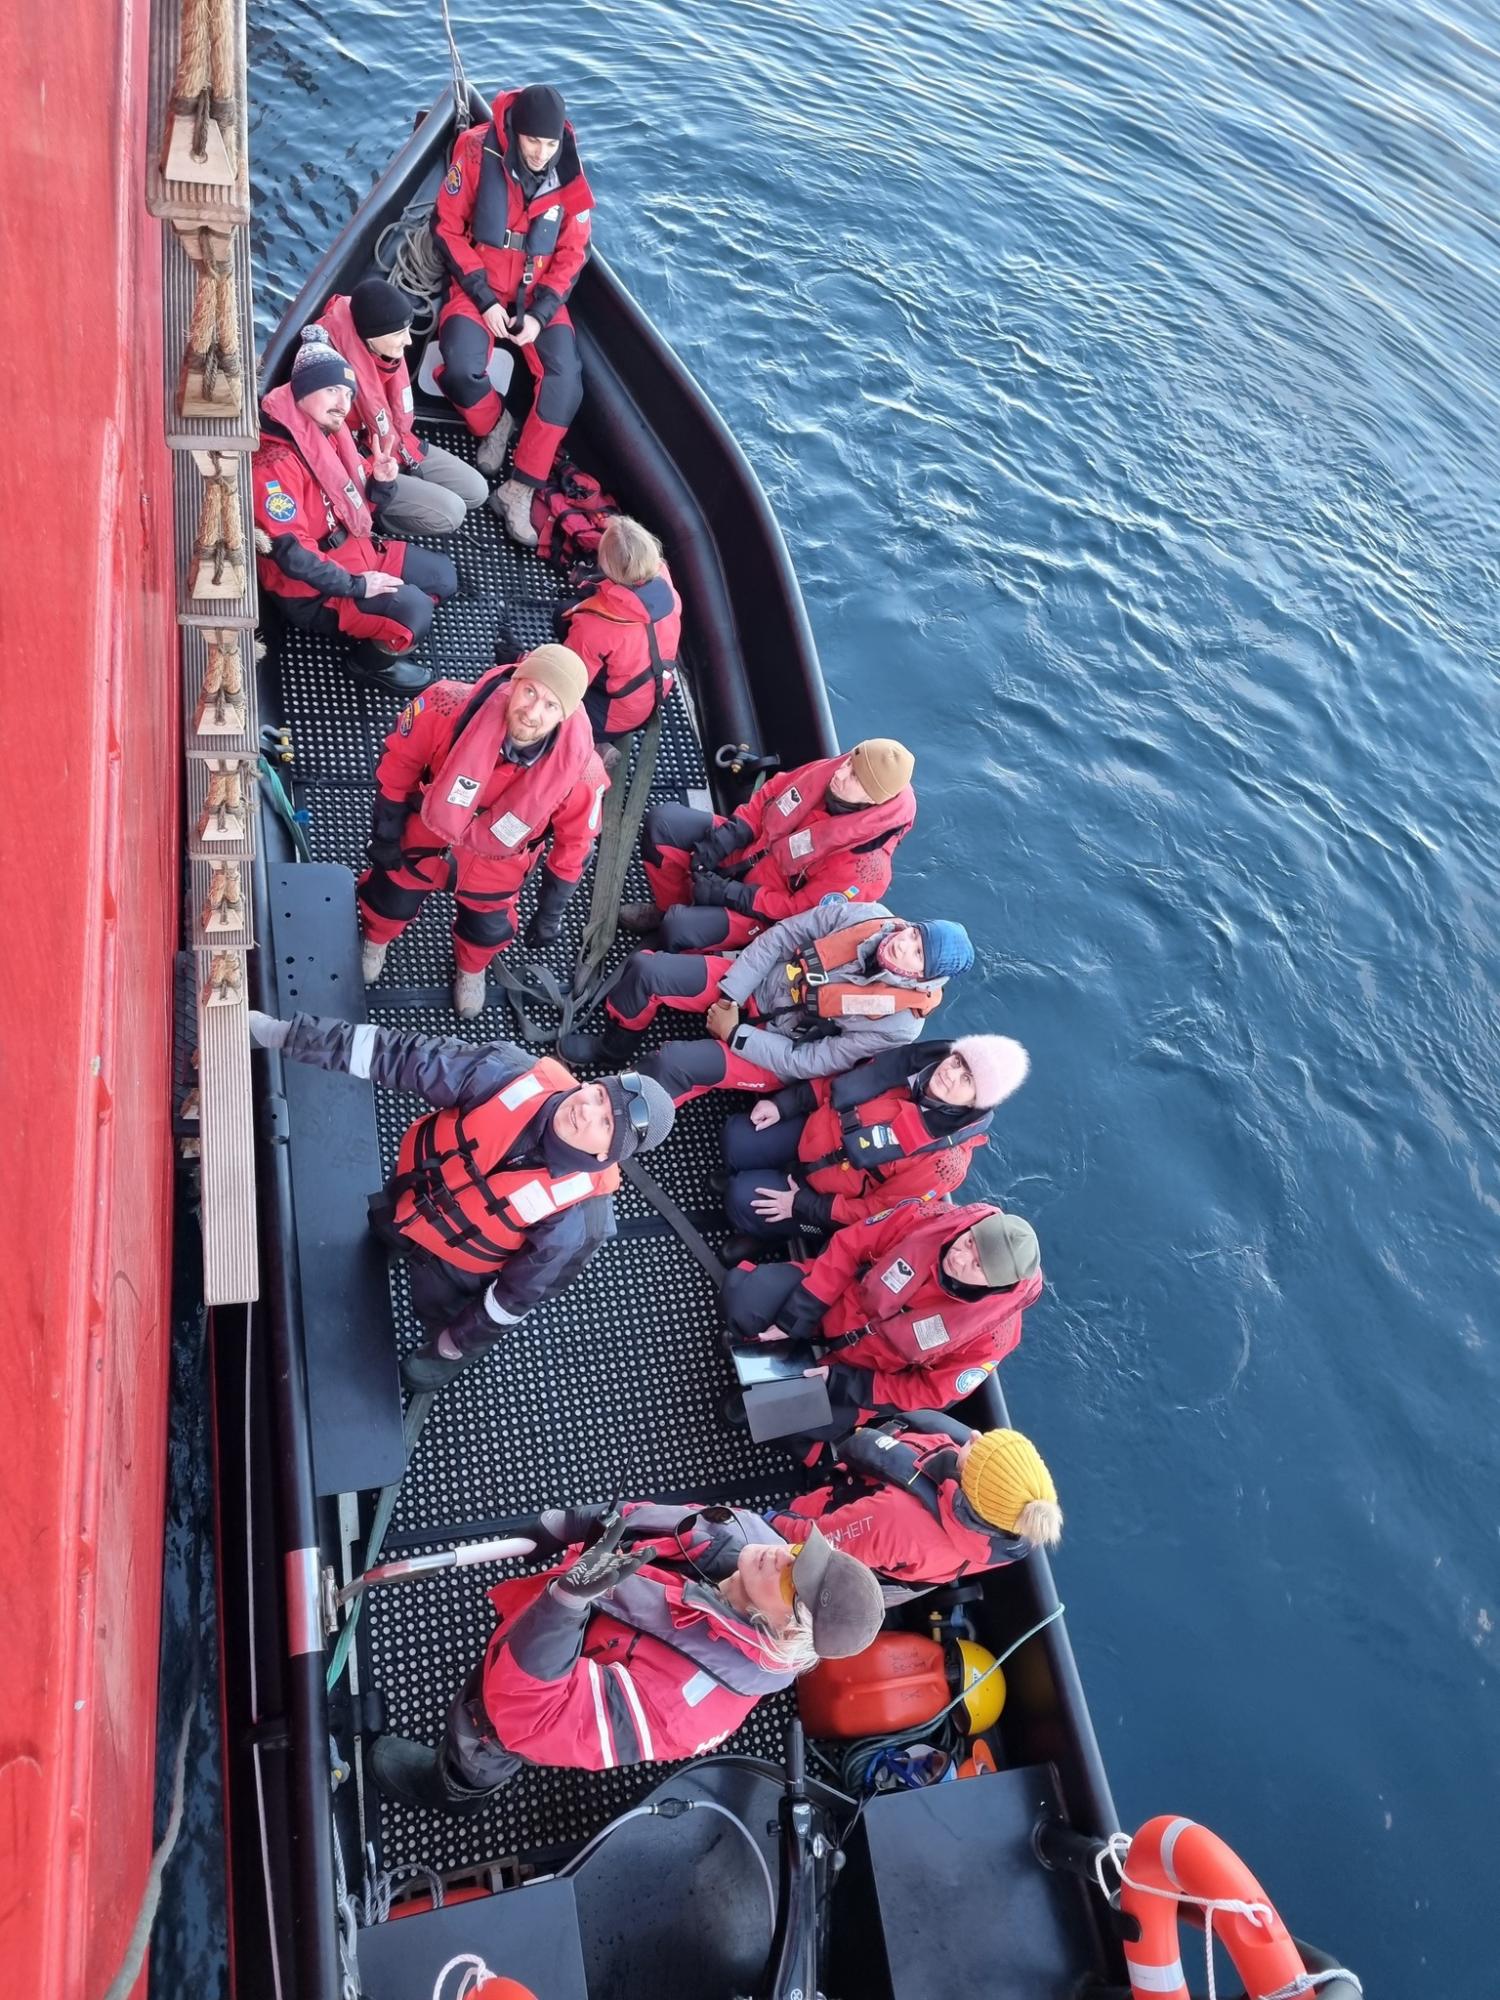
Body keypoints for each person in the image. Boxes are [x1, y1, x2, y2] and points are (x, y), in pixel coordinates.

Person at [246, 1009, 675, 1391]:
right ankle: (396, 1240)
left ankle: (443, 1354)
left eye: (605, 1123)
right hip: (412, 1195)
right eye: (598, 1095)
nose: (586, 1110)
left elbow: (518, 1294)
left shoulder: (580, 1219)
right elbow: (399, 1055)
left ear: (606, 1155)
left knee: (439, 1314)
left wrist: (458, 1341)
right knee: (384, 1227)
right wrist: (283, 1034)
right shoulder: (506, 1073)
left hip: (458, 1269)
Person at [367, 1502, 885, 1813]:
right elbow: (642, 1518)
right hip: (550, 1620)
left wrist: (562, 1607)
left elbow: (535, 1719)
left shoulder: (689, 1709)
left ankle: (455, 1789)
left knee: (482, 1735)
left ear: (786, 1631)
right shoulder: (747, 1536)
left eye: (794, 1582)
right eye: (800, 1554)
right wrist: (566, 1525)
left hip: (520, 1692)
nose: (781, 1556)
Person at [358, 646, 608, 1017]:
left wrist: (550, 912)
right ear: (516, 681)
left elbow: (575, 845)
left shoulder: (583, 774)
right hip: (425, 834)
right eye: (530, 691)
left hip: (499, 865)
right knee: (388, 898)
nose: (532, 712)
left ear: (565, 714)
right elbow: (399, 762)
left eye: (550, 705)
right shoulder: (447, 705)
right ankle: (376, 939)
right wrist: (385, 832)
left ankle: (471, 968)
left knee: (487, 929)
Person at [561, 904, 974, 1107]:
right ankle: (613, 1045)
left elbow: (814, 1060)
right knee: (647, 971)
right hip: (756, 984)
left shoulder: (899, 1025)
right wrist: (732, 995)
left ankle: (619, 1116)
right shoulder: (869, 916)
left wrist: (735, 1035)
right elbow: (782, 936)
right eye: (914, 935)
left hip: (778, 1051)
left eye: (918, 955)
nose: (903, 945)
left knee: (673, 1064)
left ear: (923, 978)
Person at [722, 1199, 1043, 1440]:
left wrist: (841, 1382)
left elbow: (929, 1392)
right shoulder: (930, 1218)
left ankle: (769, 1401)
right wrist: (797, 1315)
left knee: (777, 1414)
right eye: (970, 1241)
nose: (959, 1257)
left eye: (977, 1265)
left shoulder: (992, 1339)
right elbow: (851, 1245)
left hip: (867, 1372)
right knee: (745, 1299)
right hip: (834, 1304)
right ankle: (760, 1341)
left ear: (994, 1285)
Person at [251, 333, 458, 694]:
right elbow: (292, 555)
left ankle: (384, 620)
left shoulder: (327, 435)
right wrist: (358, 586)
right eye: (332, 390)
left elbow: (364, 506)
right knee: (415, 612)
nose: (342, 404)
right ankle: (366, 664)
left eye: (348, 394)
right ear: (303, 389)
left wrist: (381, 483)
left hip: (357, 550)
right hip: (314, 590)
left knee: (444, 578)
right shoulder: (274, 464)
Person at [433, 82, 593, 546]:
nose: (541, 153)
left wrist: (541, 314)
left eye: (550, 144)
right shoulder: (475, 150)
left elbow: (572, 253)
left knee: (566, 382)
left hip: (537, 294)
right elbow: (447, 228)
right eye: (532, 141)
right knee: (459, 368)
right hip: (479, 284)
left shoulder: (570, 171)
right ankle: (494, 423)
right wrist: (483, 298)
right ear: (515, 133)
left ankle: (519, 489)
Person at [719, 1034, 1028, 1256]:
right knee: (736, 1137)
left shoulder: (944, 1163)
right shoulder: (909, 1066)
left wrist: (802, 1205)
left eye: (968, 1079)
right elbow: (838, 1086)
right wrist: (785, 1104)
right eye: (957, 1061)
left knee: (741, 1197)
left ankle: (764, 1234)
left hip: (823, 1200)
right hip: (810, 1135)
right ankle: (755, 1175)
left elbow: (879, 1211)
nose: (951, 1074)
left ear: (976, 1103)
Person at [621, 740, 916, 953]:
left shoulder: (865, 870)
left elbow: (800, 913)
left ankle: (679, 946)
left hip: (761, 913)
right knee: (663, 822)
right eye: (849, 763)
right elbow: (772, 793)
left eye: (854, 777)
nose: (841, 773)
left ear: (873, 800)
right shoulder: (831, 772)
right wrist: (730, 835)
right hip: (748, 850)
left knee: (678, 928)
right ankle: (668, 908)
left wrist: (734, 894)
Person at [769, 1414, 1062, 1604]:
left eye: (979, 1451)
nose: (974, 1434)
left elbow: (813, 1544)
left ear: (973, 1487)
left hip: (830, 1531)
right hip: (894, 1559)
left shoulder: (896, 1520)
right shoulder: (1011, 1530)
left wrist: (773, 1521)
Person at [312, 277, 488, 535]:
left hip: (396, 444)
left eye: (407, 330)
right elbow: (331, 453)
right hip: (363, 467)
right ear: (371, 337)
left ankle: (406, 489)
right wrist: (379, 481)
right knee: (451, 513)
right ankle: (380, 519)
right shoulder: (329, 378)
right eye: (398, 334)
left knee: (477, 491)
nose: (409, 341)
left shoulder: (381, 351)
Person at [558, 516, 682, 765]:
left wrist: (521, 660)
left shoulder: (594, 626)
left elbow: (568, 683)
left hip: (610, 718)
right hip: (650, 698)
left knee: (562, 617)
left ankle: (589, 741)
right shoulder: (666, 583)